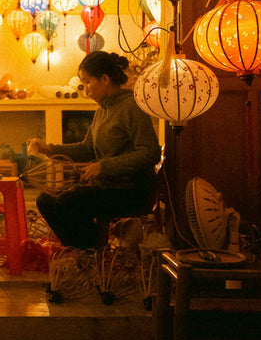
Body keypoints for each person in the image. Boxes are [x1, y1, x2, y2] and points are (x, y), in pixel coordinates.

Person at [26, 51, 161, 249]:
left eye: (87, 81)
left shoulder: (131, 107)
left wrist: (103, 167)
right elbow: (87, 147)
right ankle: (86, 250)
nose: (86, 88)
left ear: (105, 79)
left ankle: (91, 253)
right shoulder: (103, 110)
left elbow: (150, 153)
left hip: (129, 190)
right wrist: (48, 149)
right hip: (107, 187)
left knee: (67, 203)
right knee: (46, 200)